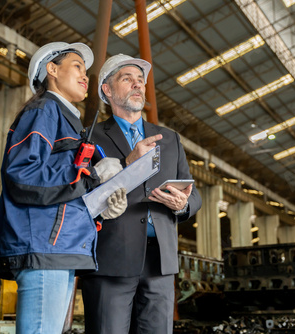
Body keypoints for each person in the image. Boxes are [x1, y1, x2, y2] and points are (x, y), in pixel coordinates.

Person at [0, 42, 127, 334]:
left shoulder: (67, 121)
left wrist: (100, 206)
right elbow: (23, 174)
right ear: (52, 70)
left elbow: (64, 190)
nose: (85, 76)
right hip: (44, 246)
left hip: (62, 246)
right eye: (77, 66)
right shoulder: (44, 111)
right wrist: (92, 176)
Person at [81, 54, 202, 334]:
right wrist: (126, 166)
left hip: (161, 262)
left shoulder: (169, 139)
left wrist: (183, 204)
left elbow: (195, 194)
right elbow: (81, 195)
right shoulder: (89, 137)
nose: (138, 85)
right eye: (128, 79)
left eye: (141, 81)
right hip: (111, 259)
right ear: (107, 90)